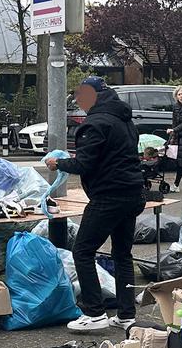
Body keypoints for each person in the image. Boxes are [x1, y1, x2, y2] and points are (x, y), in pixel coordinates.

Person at [46, 76, 143, 332]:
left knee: (83, 251)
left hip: (108, 196)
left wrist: (59, 163)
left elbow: (84, 164)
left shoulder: (95, 123)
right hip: (132, 193)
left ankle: (94, 312)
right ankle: (126, 315)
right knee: (122, 254)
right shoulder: (125, 119)